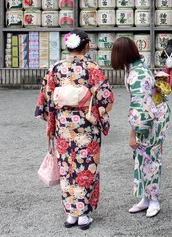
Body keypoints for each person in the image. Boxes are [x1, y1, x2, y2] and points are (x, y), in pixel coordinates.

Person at [35, 29, 113, 230]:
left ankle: (71, 213)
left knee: (67, 167)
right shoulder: (93, 68)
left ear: (68, 46)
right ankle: (84, 214)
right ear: (86, 46)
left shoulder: (56, 68)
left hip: (63, 126)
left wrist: (51, 122)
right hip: (86, 125)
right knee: (86, 167)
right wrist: (100, 116)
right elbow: (105, 98)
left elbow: (46, 98)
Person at [111, 37, 170, 218]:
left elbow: (140, 107)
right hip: (150, 114)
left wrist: (133, 133)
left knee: (150, 157)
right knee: (141, 157)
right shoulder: (135, 68)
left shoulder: (138, 74)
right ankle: (145, 197)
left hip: (152, 119)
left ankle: (154, 199)